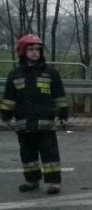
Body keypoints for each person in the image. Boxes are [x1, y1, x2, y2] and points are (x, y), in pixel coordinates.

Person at [1, 34, 69, 194]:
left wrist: (63, 114)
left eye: (37, 49)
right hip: (23, 122)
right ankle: (32, 180)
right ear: (23, 51)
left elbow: (59, 95)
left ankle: (53, 182)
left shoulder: (50, 73)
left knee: (50, 153)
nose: (35, 52)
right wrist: (5, 115)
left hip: (45, 122)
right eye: (31, 49)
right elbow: (9, 98)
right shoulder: (15, 75)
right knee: (27, 154)